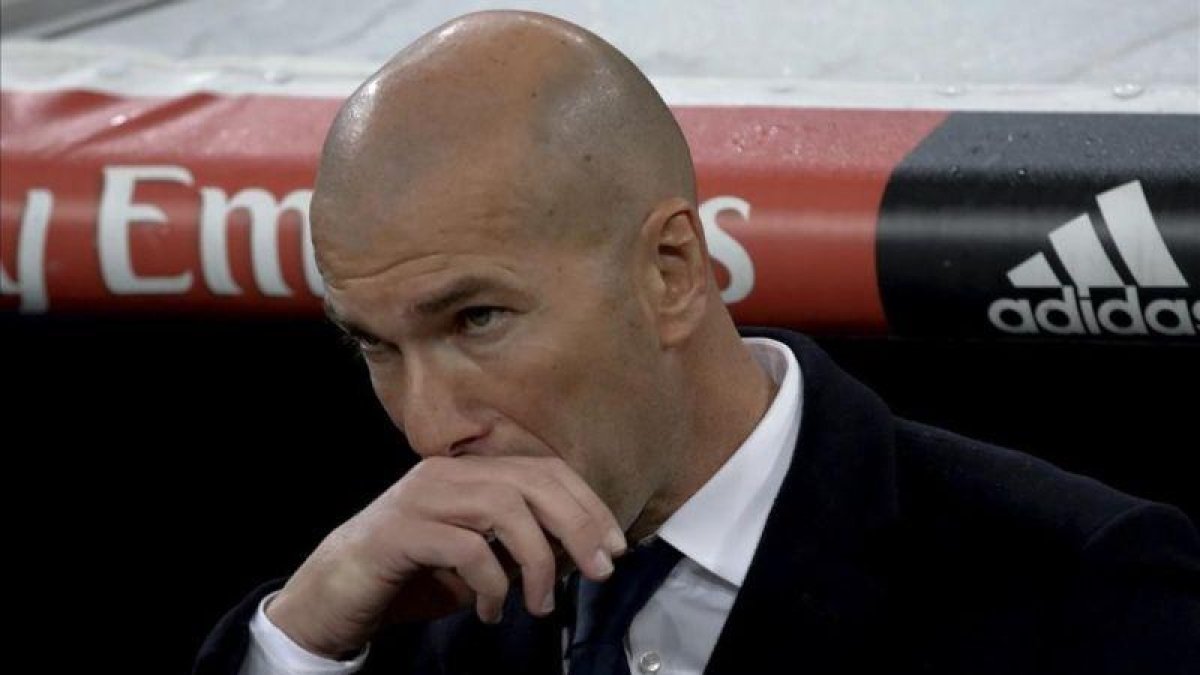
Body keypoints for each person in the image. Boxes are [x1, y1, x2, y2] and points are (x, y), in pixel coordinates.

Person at [194, 10, 1200, 675]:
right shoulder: (403, 613)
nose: (427, 425)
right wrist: (300, 641)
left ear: (671, 272)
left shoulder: (1078, 593)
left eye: (477, 320)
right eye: (376, 346)